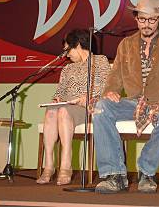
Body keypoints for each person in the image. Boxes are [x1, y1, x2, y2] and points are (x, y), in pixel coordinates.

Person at [92, 0, 159, 194]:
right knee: (101, 107)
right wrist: (111, 91)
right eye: (142, 19)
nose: (146, 24)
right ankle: (114, 175)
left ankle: (146, 171)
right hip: (134, 101)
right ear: (136, 19)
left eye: (151, 19)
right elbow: (115, 76)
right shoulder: (126, 44)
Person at [37, 29, 110, 186]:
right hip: (69, 106)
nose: (66, 54)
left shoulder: (100, 61)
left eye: (67, 49)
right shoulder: (67, 68)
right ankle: (49, 166)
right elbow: (60, 92)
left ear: (77, 45)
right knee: (51, 111)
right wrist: (56, 99)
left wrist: (89, 98)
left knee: (63, 111)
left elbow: (106, 87)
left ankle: (65, 166)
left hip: (89, 107)